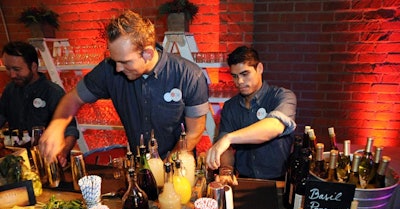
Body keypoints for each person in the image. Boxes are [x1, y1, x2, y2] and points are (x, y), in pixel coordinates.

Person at [39, 10, 209, 163]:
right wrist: (56, 127)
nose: (118, 68)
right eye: (115, 61)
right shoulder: (109, 69)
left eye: (125, 62)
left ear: (147, 54)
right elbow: (73, 98)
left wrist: (167, 165)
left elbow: (194, 131)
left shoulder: (189, 75)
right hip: (139, 164)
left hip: (178, 164)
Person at [206, 46, 297, 182]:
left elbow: (274, 126)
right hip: (243, 180)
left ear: (259, 68)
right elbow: (226, 149)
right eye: (235, 76)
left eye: (245, 74)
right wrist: (226, 170)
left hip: (279, 182)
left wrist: (229, 138)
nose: (239, 82)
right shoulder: (231, 107)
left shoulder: (282, 96)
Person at [0, 41, 79, 167]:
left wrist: (62, 152)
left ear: (34, 67)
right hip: (18, 164)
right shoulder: (10, 90)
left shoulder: (52, 92)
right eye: (8, 69)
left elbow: (70, 130)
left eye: (16, 69)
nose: (12, 75)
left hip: (48, 163)